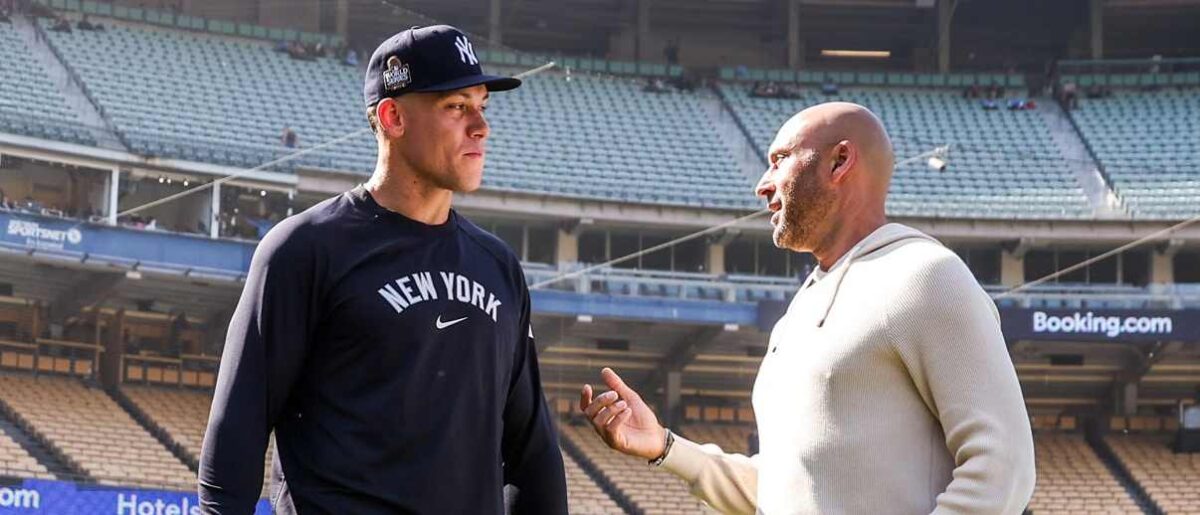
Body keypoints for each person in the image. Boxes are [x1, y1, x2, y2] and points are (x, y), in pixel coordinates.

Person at [580, 102, 1035, 514]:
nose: (763, 185)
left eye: (779, 160)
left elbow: (1003, 467)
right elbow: (788, 489)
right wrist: (665, 446)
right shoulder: (798, 311)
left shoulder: (927, 274)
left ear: (839, 161)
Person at [199, 25, 567, 514]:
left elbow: (530, 451)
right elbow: (237, 431)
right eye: (457, 107)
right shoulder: (305, 249)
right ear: (393, 116)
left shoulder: (497, 265)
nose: (481, 126)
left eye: (483, 105)